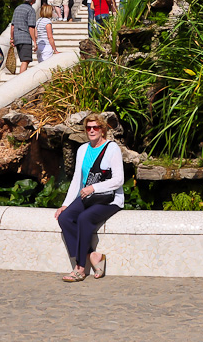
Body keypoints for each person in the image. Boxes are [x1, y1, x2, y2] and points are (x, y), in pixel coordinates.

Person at [56, 114, 124, 281]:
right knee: (64, 218)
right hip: (88, 197)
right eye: (88, 128)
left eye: (96, 127)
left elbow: (119, 180)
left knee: (84, 218)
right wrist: (66, 204)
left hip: (109, 199)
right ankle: (92, 255)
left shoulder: (112, 148)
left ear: (102, 130)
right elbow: (77, 178)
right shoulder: (83, 149)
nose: (92, 130)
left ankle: (79, 268)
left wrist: (94, 187)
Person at [10, 0, 38, 74]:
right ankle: (20, 80)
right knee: (25, 61)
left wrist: (12, 38)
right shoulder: (30, 10)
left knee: (24, 60)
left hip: (17, 38)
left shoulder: (17, 8)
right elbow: (31, 28)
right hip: (25, 38)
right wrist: (35, 41)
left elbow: (12, 26)